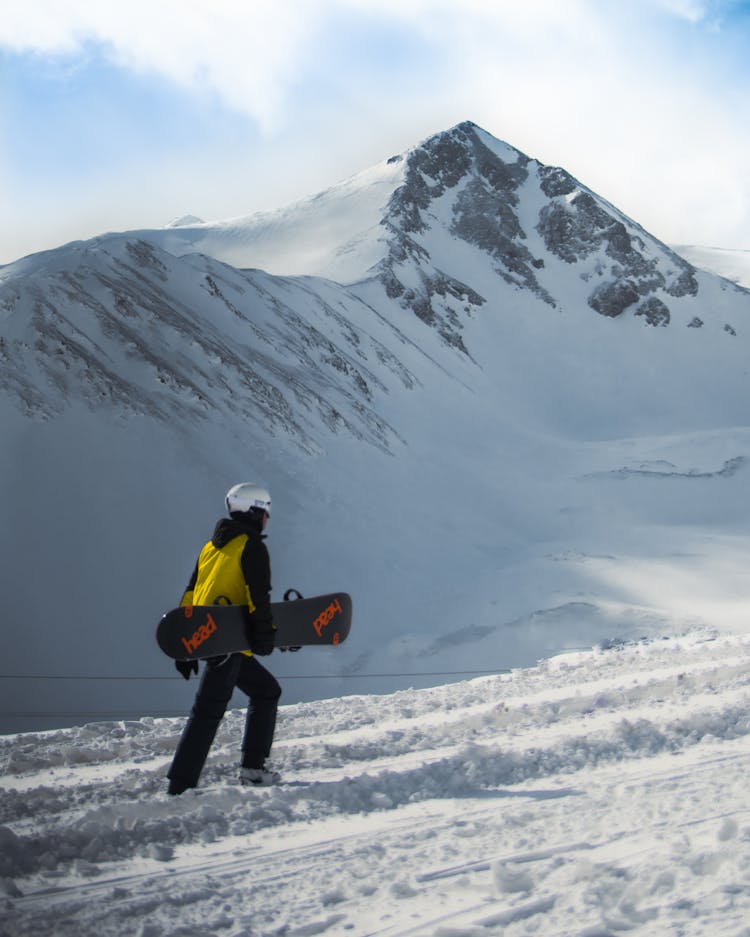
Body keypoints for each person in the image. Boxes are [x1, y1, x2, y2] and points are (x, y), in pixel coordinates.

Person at [167, 483, 281, 796]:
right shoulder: (251, 546)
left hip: (209, 636)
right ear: (255, 511)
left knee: (266, 691)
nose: (268, 518)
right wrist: (264, 636)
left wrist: (185, 643)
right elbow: (258, 595)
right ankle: (181, 784)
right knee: (208, 710)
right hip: (228, 641)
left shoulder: (211, 546)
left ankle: (252, 768)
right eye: (266, 511)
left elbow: (192, 591)